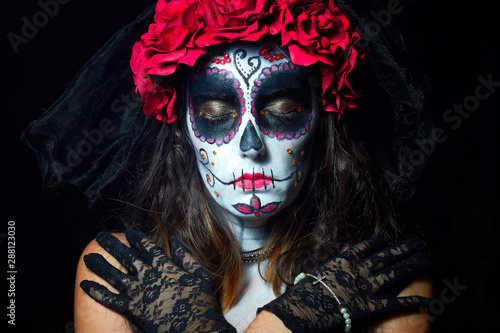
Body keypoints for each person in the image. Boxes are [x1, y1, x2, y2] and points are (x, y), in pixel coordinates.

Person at [22, 0, 434, 332]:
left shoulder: (385, 280)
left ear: (322, 125)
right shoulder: (120, 269)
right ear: (183, 126)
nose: (250, 145)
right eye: (217, 112)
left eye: (284, 109)